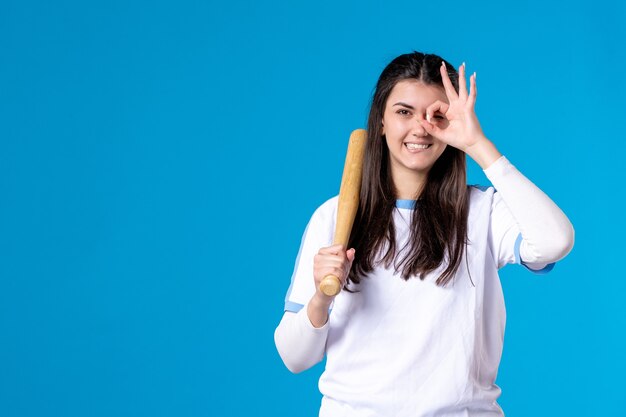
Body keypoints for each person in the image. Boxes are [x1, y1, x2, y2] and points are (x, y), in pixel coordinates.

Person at [274, 51, 574, 417]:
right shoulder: (335, 216)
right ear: (381, 121)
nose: (419, 127)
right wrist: (320, 298)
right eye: (403, 112)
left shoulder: (483, 213)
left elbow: (556, 240)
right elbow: (294, 357)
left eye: (436, 115)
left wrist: (477, 144)